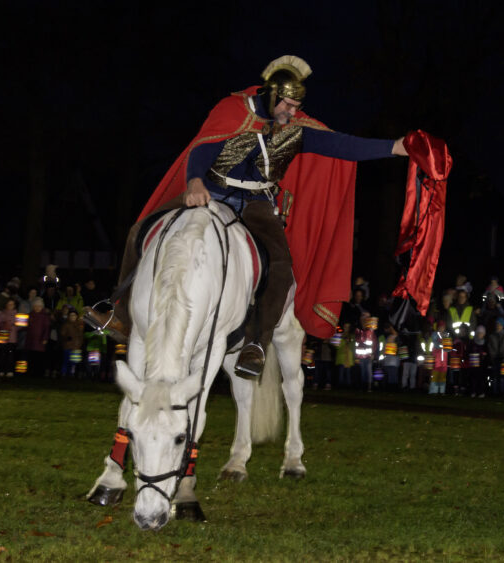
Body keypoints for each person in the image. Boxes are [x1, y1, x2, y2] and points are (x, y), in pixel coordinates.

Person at [85, 55, 412, 380]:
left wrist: (396, 147)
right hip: (210, 189)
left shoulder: (294, 130)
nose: (292, 113)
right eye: (286, 105)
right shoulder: (232, 111)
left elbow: (343, 145)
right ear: (270, 95)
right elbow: (202, 147)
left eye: (296, 107)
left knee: (282, 268)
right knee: (140, 231)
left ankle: (256, 342)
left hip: (255, 201)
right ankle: (122, 313)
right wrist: (195, 181)